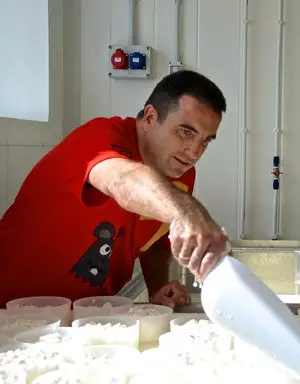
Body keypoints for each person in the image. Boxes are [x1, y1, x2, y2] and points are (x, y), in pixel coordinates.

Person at [0, 70, 230, 309]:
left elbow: (156, 241)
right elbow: (121, 179)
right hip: (10, 306)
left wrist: (157, 290)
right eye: (186, 132)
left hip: (90, 316)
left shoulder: (181, 173)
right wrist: (188, 211)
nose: (195, 153)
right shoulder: (99, 136)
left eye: (206, 140)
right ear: (150, 118)